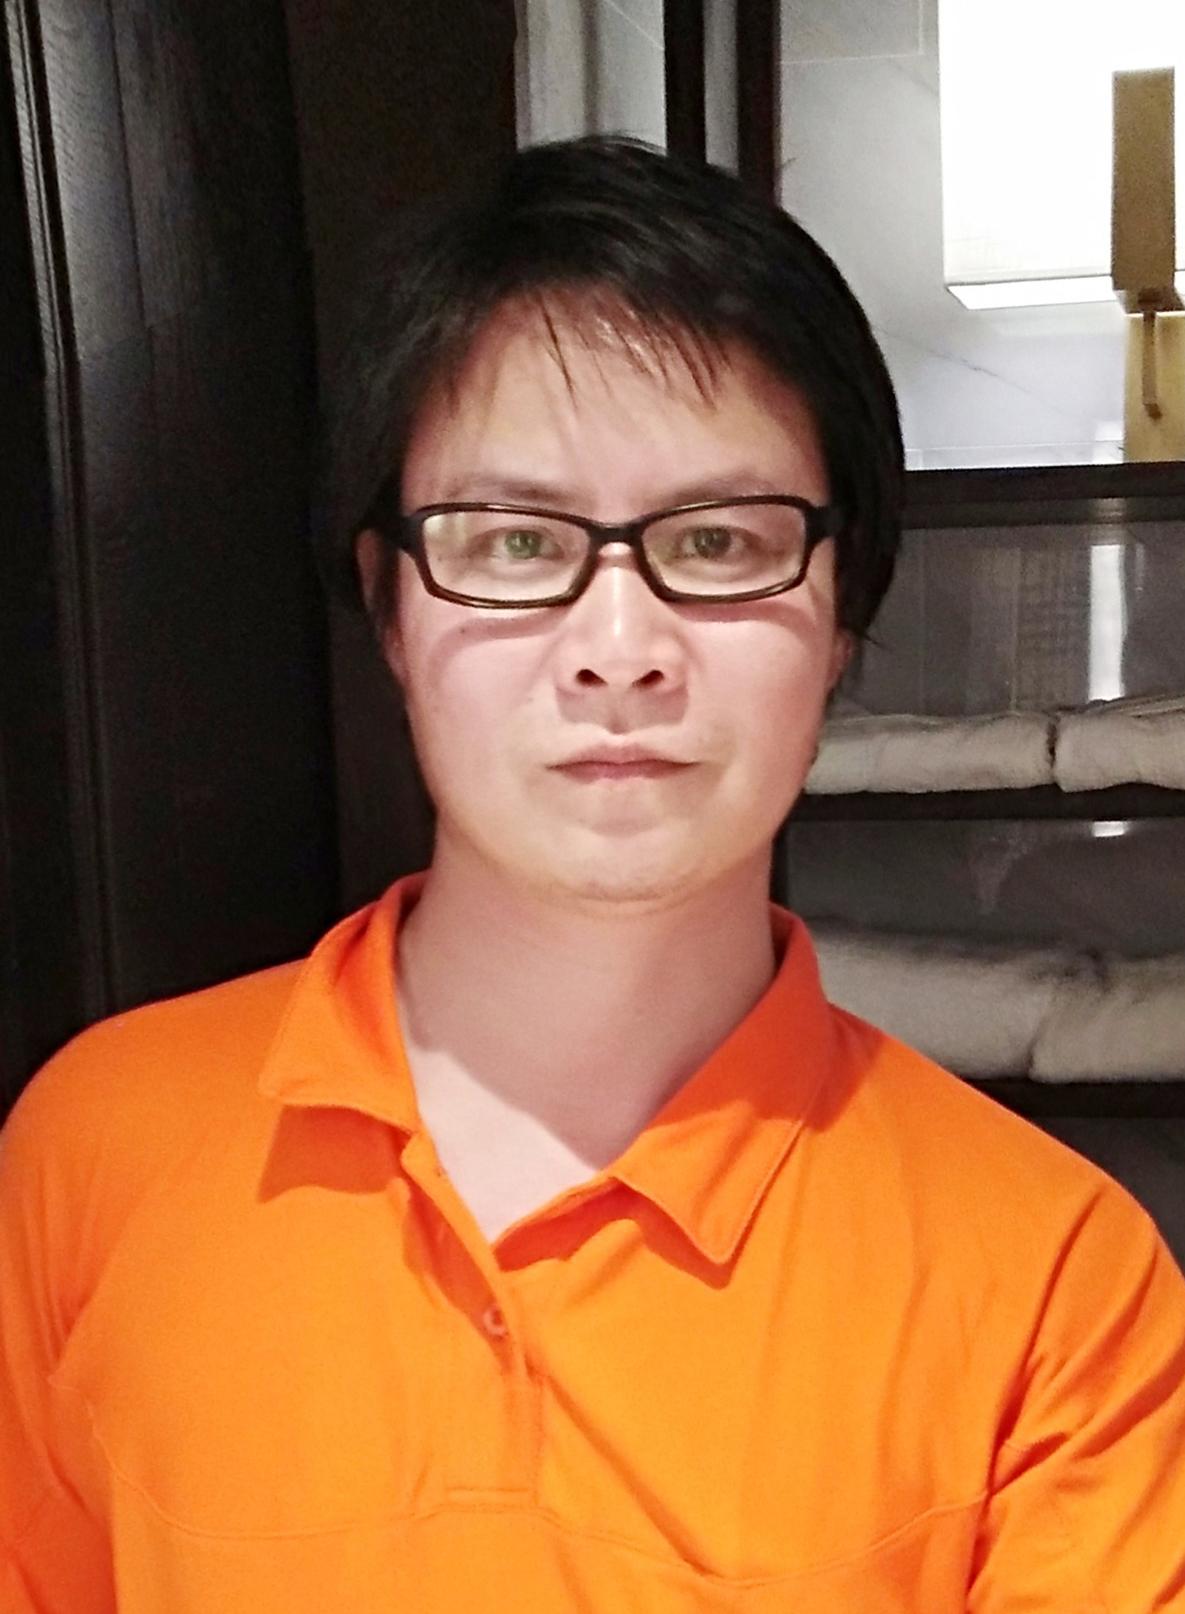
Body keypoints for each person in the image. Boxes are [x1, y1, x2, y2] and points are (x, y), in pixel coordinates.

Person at [1, 136, 1183, 1613]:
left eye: (717, 540)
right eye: (512, 541)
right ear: (385, 600)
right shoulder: (96, 1150)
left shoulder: (1055, 1281)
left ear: (843, 617)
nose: (619, 646)